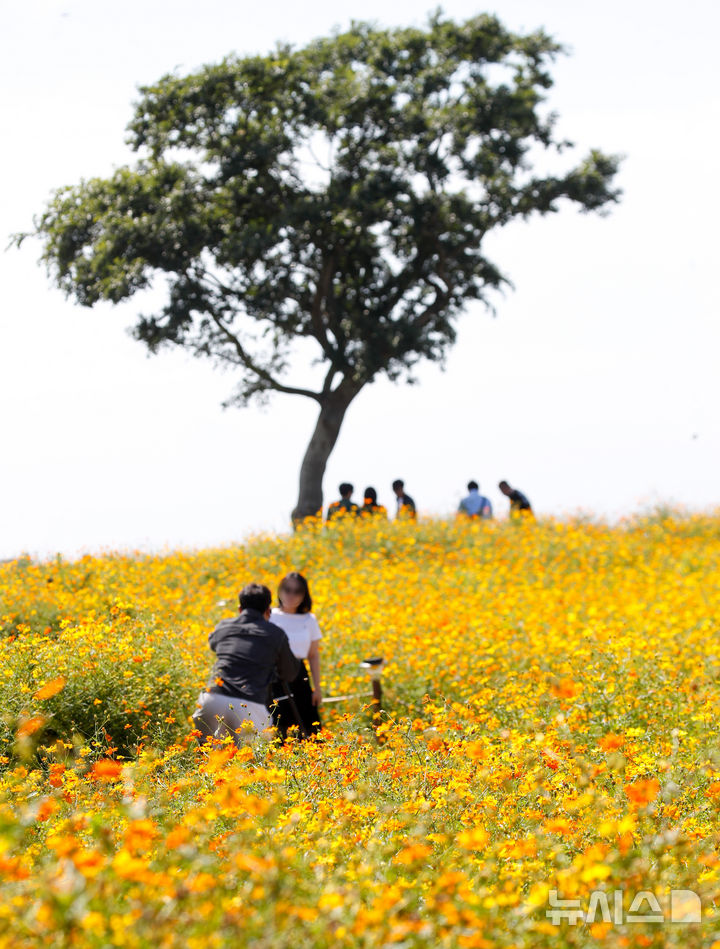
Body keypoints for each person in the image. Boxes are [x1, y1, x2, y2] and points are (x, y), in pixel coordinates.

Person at [192, 583, 300, 744]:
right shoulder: (276, 634)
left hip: (212, 699)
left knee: (209, 762)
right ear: (268, 611)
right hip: (249, 706)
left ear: (239, 609)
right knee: (251, 765)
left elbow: (213, 643)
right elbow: (290, 673)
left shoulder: (224, 626)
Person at [269, 572, 323, 740]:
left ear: (304, 594)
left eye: (297, 591)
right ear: (279, 590)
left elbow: (313, 656)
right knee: (280, 729)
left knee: (310, 730)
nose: (291, 595)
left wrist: (318, 688)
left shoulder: (309, 619)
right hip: (275, 677)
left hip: (300, 678)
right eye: (287, 589)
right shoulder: (269, 615)